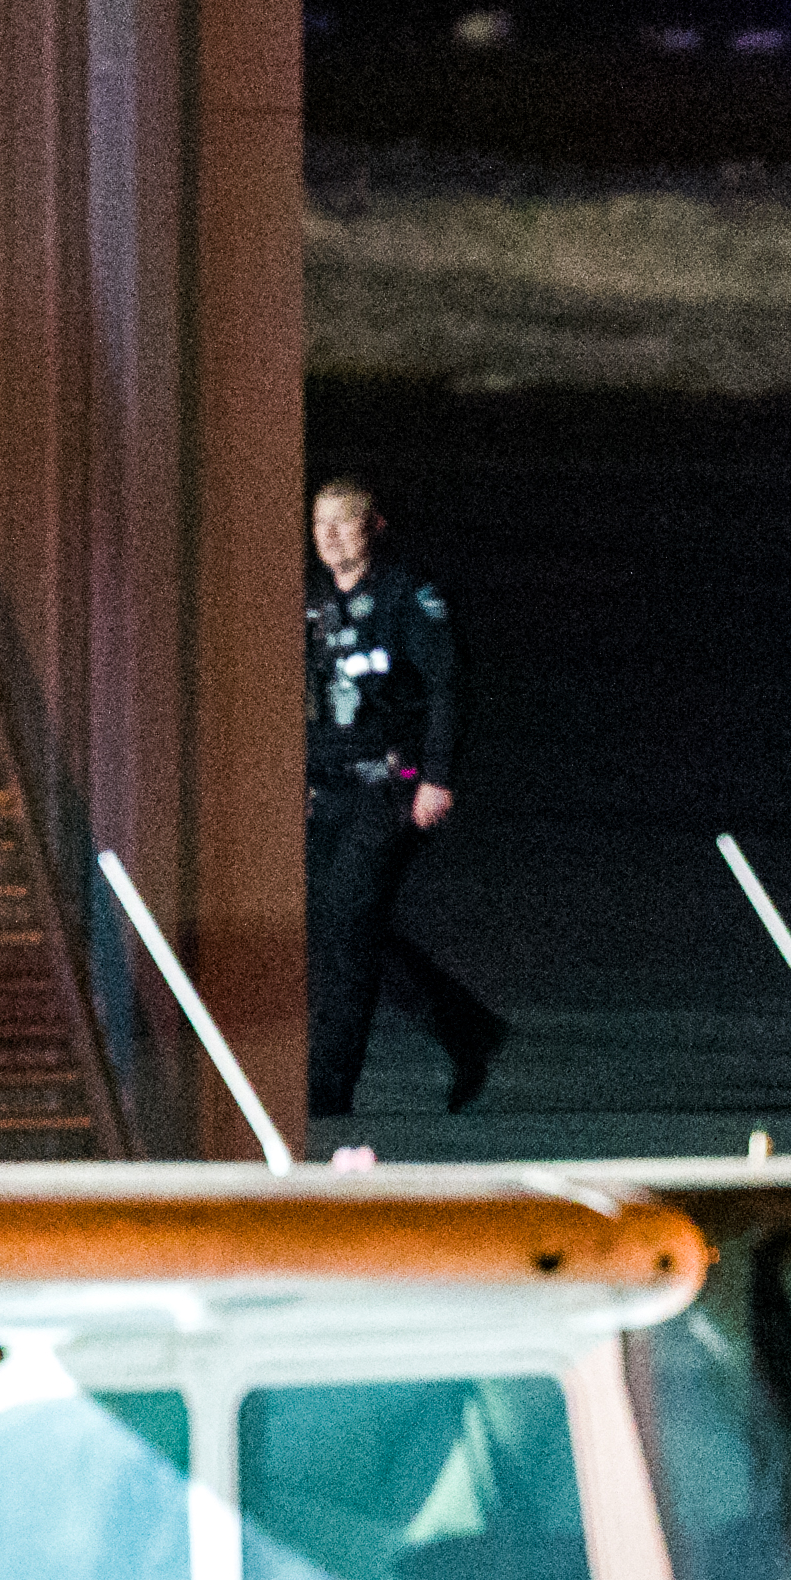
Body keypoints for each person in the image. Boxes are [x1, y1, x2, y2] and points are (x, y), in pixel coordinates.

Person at [306, 475, 507, 1117]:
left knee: (347, 924)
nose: (329, 535)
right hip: (331, 787)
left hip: (391, 787)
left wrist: (438, 778)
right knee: (342, 927)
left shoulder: (407, 599)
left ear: (373, 528)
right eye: (319, 523)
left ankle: (329, 1089)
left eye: (342, 522)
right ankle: (465, 1029)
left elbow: (449, 684)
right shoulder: (312, 604)